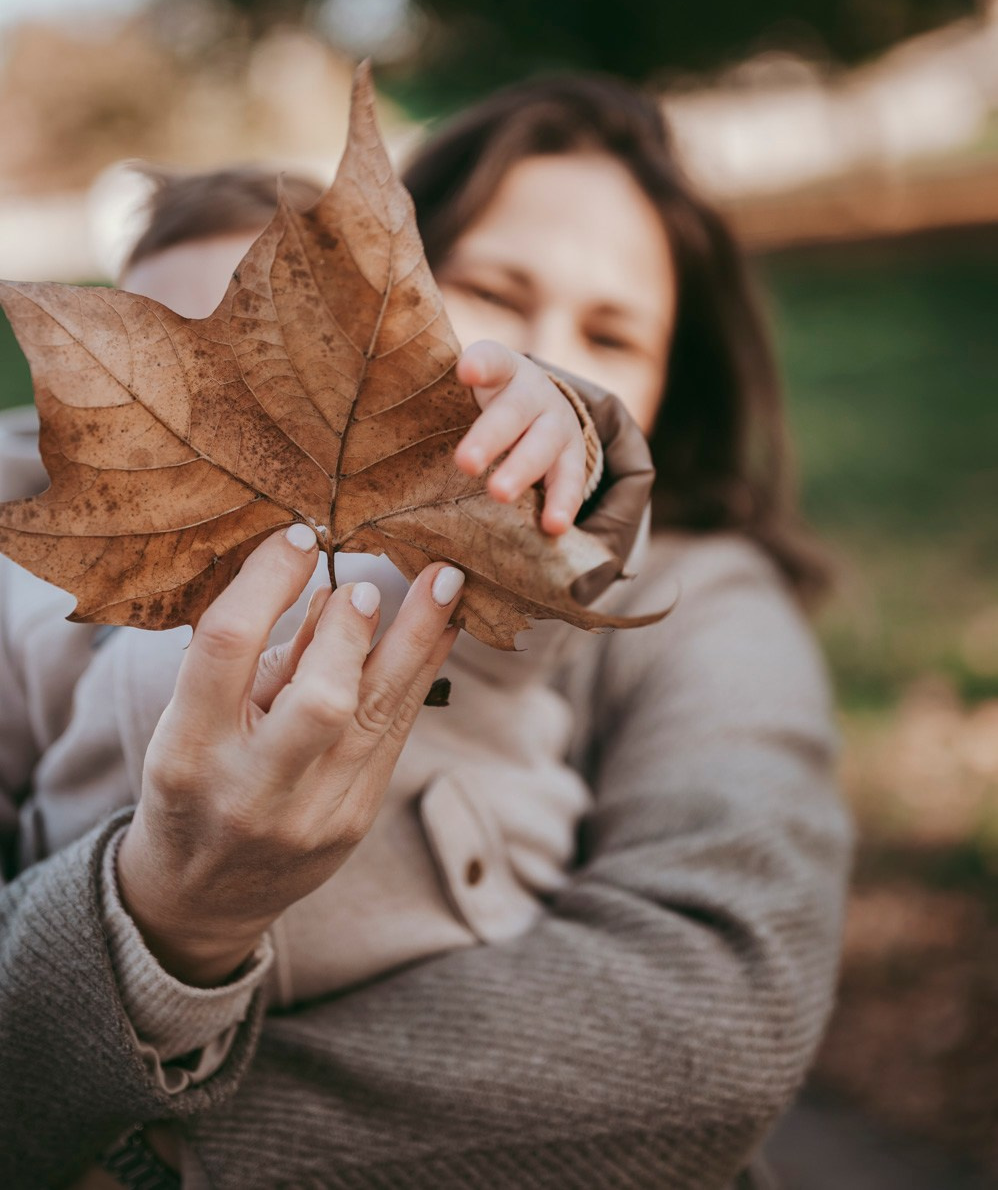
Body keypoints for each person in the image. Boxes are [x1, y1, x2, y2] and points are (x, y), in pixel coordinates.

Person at [0, 79, 851, 1190]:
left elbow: (713, 1017)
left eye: (610, 334)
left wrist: (136, 1161)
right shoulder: (40, 550)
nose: (550, 350)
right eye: (493, 289)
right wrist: (163, 918)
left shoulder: (639, 581)